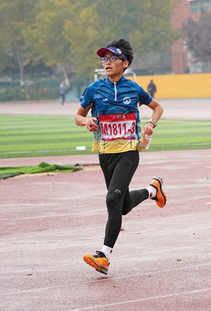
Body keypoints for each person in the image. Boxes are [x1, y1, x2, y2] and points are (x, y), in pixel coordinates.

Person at [75, 38, 166, 275]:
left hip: (128, 152)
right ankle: (152, 191)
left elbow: (158, 107)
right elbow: (78, 116)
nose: (106, 62)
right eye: (104, 58)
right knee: (122, 206)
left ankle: (103, 255)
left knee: (112, 200)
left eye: (112, 58)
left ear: (124, 63)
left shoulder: (134, 89)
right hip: (105, 154)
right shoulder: (94, 89)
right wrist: (87, 121)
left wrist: (150, 124)